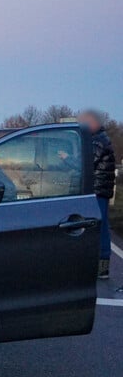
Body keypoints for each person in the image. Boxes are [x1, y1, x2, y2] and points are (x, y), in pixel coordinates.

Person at [78, 109, 117, 279]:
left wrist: (68, 159)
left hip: (99, 190)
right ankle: (100, 264)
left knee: (100, 228)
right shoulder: (98, 139)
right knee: (98, 226)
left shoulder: (99, 141)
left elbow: (88, 162)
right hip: (99, 189)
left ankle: (102, 265)